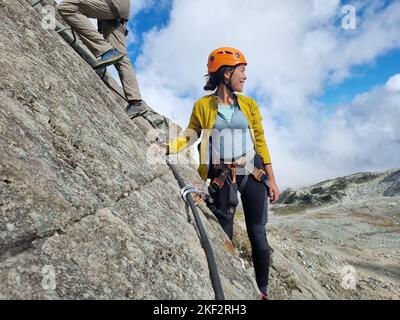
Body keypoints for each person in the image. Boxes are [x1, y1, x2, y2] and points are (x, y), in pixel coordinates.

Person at [160, 47, 280, 300]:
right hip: (222, 175)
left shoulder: (249, 104)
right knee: (224, 231)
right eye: (242, 71)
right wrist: (167, 148)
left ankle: (262, 290)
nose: (245, 77)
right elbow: (190, 135)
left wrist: (272, 180)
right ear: (226, 74)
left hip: (252, 171)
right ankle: (230, 284)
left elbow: (260, 140)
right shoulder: (202, 106)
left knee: (257, 232)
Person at [57, 0, 151, 118]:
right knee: (120, 55)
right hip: (118, 12)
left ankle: (106, 50)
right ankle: (136, 102)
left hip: (113, 4)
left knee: (66, 7)